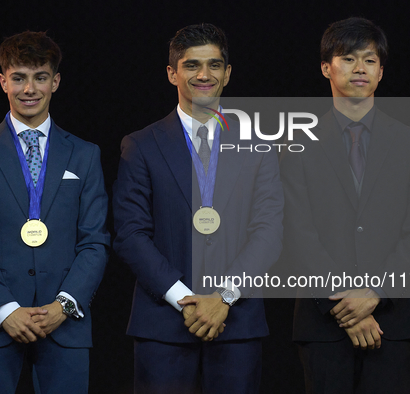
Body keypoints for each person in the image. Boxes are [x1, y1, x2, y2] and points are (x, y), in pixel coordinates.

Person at [113, 23, 283, 393]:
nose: (204, 75)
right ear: (173, 73)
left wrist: (223, 297)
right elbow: (130, 233)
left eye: (214, 65)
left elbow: (269, 233)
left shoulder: (260, 145)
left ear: (228, 73)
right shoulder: (141, 145)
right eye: (192, 66)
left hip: (236, 322)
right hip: (163, 324)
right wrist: (183, 299)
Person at [280, 17, 410, 393]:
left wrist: (375, 292)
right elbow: (297, 233)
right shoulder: (297, 147)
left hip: (395, 319)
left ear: (381, 72)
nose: (360, 68)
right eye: (348, 58)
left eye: (369, 60)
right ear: (326, 67)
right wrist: (348, 309)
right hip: (323, 323)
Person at [0, 31, 110, 393]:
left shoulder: (84, 154)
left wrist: (64, 305)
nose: (29, 88)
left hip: (65, 323)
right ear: (3, 81)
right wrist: (5, 308)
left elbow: (95, 241)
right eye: (19, 77)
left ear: (55, 81)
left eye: (40, 77)